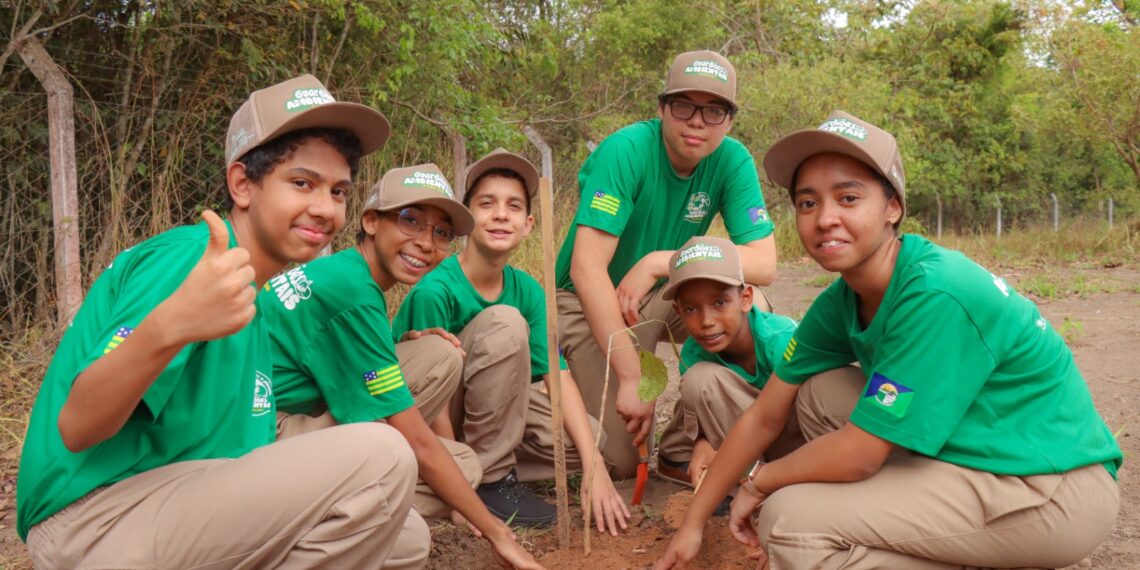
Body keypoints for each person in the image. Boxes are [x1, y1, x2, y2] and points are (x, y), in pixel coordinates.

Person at [657, 110, 1122, 570]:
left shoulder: (935, 292)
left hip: (1048, 486)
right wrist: (693, 522)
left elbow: (860, 455)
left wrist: (762, 482)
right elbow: (763, 415)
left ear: (893, 207)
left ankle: (968, 550)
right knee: (819, 390)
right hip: (971, 451)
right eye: (807, 203)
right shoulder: (843, 301)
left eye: (849, 197)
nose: (825, 219)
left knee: (788, 522)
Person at [17, 74, 435, 569]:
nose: (324, 209)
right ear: (242, 184)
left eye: (339, 192)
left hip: (177, 500)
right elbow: (78, 424)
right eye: (302, 183)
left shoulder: (251, 295)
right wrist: (170, 325)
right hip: (92, 517)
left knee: (404, 534)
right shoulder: (190, 261)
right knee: (382, 458)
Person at [265, 163, 542, 568]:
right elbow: (418, 440)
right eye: (411, 221)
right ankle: (315, 513)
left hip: (289, 413)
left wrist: (394, 346)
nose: (426, 243)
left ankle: (352, 500)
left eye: (441, 232)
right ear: (372, 221)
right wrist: (497, 532)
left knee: (443, 375)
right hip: (264, 433)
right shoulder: (353, 294)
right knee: (436, 482)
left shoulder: (348, 273)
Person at [555, 50, 778, 478]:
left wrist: (660, 261)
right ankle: (545, 404)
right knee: (619, 461)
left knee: (754, 307)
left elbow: (763, 265)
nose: (697, 122)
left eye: (714, 110)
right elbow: (586, 269)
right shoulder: (627, 150)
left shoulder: (732, 161)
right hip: (586, 299)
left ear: (729, 120)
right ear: (661, 109)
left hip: (658, 291)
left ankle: (684, 447)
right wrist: (631, 376)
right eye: (683, 106)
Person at [393, 149, 631, 534]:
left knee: (587, 439)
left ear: (528, 224)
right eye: (487, 204)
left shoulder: (529, 290)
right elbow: (431, 401)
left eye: (514, 206)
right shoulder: (435, 289)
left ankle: (489, 460)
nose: (501, 214)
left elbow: (556, 375)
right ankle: (486, 481)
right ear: (468, 220)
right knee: (504, 322)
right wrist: (459, 486)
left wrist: (595, 467)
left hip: (488, 413)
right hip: (430, 415)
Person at [656, 236, 800, 493]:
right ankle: (750, 480)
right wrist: (703, 442)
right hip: (750, 441)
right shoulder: (693, 354)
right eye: (691, 309)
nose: (706, 320)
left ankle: (777, 482)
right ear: (677, 312)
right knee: (699, 381)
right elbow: (704, 413)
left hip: (798, 437)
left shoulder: (780, 341)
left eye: (719, 302)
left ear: (746, 298)